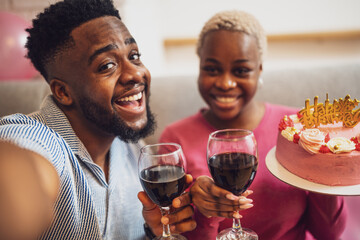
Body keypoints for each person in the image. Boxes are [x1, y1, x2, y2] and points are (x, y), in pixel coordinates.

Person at [0, 0, 196, 239]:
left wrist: (154, 232)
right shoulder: (36, 140)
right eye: (107, 65)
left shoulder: (134, 149)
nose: (136, 73)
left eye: (134, 56)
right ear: (63, 92)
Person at [160, 10, 347, 240]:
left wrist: (325, 170)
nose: (226, 83)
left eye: (241, 71)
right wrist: (207, 213)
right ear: (199, 68)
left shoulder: (297, 129)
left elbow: (329, 234)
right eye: (212, 69)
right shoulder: (175, 140)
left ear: (259, 70)